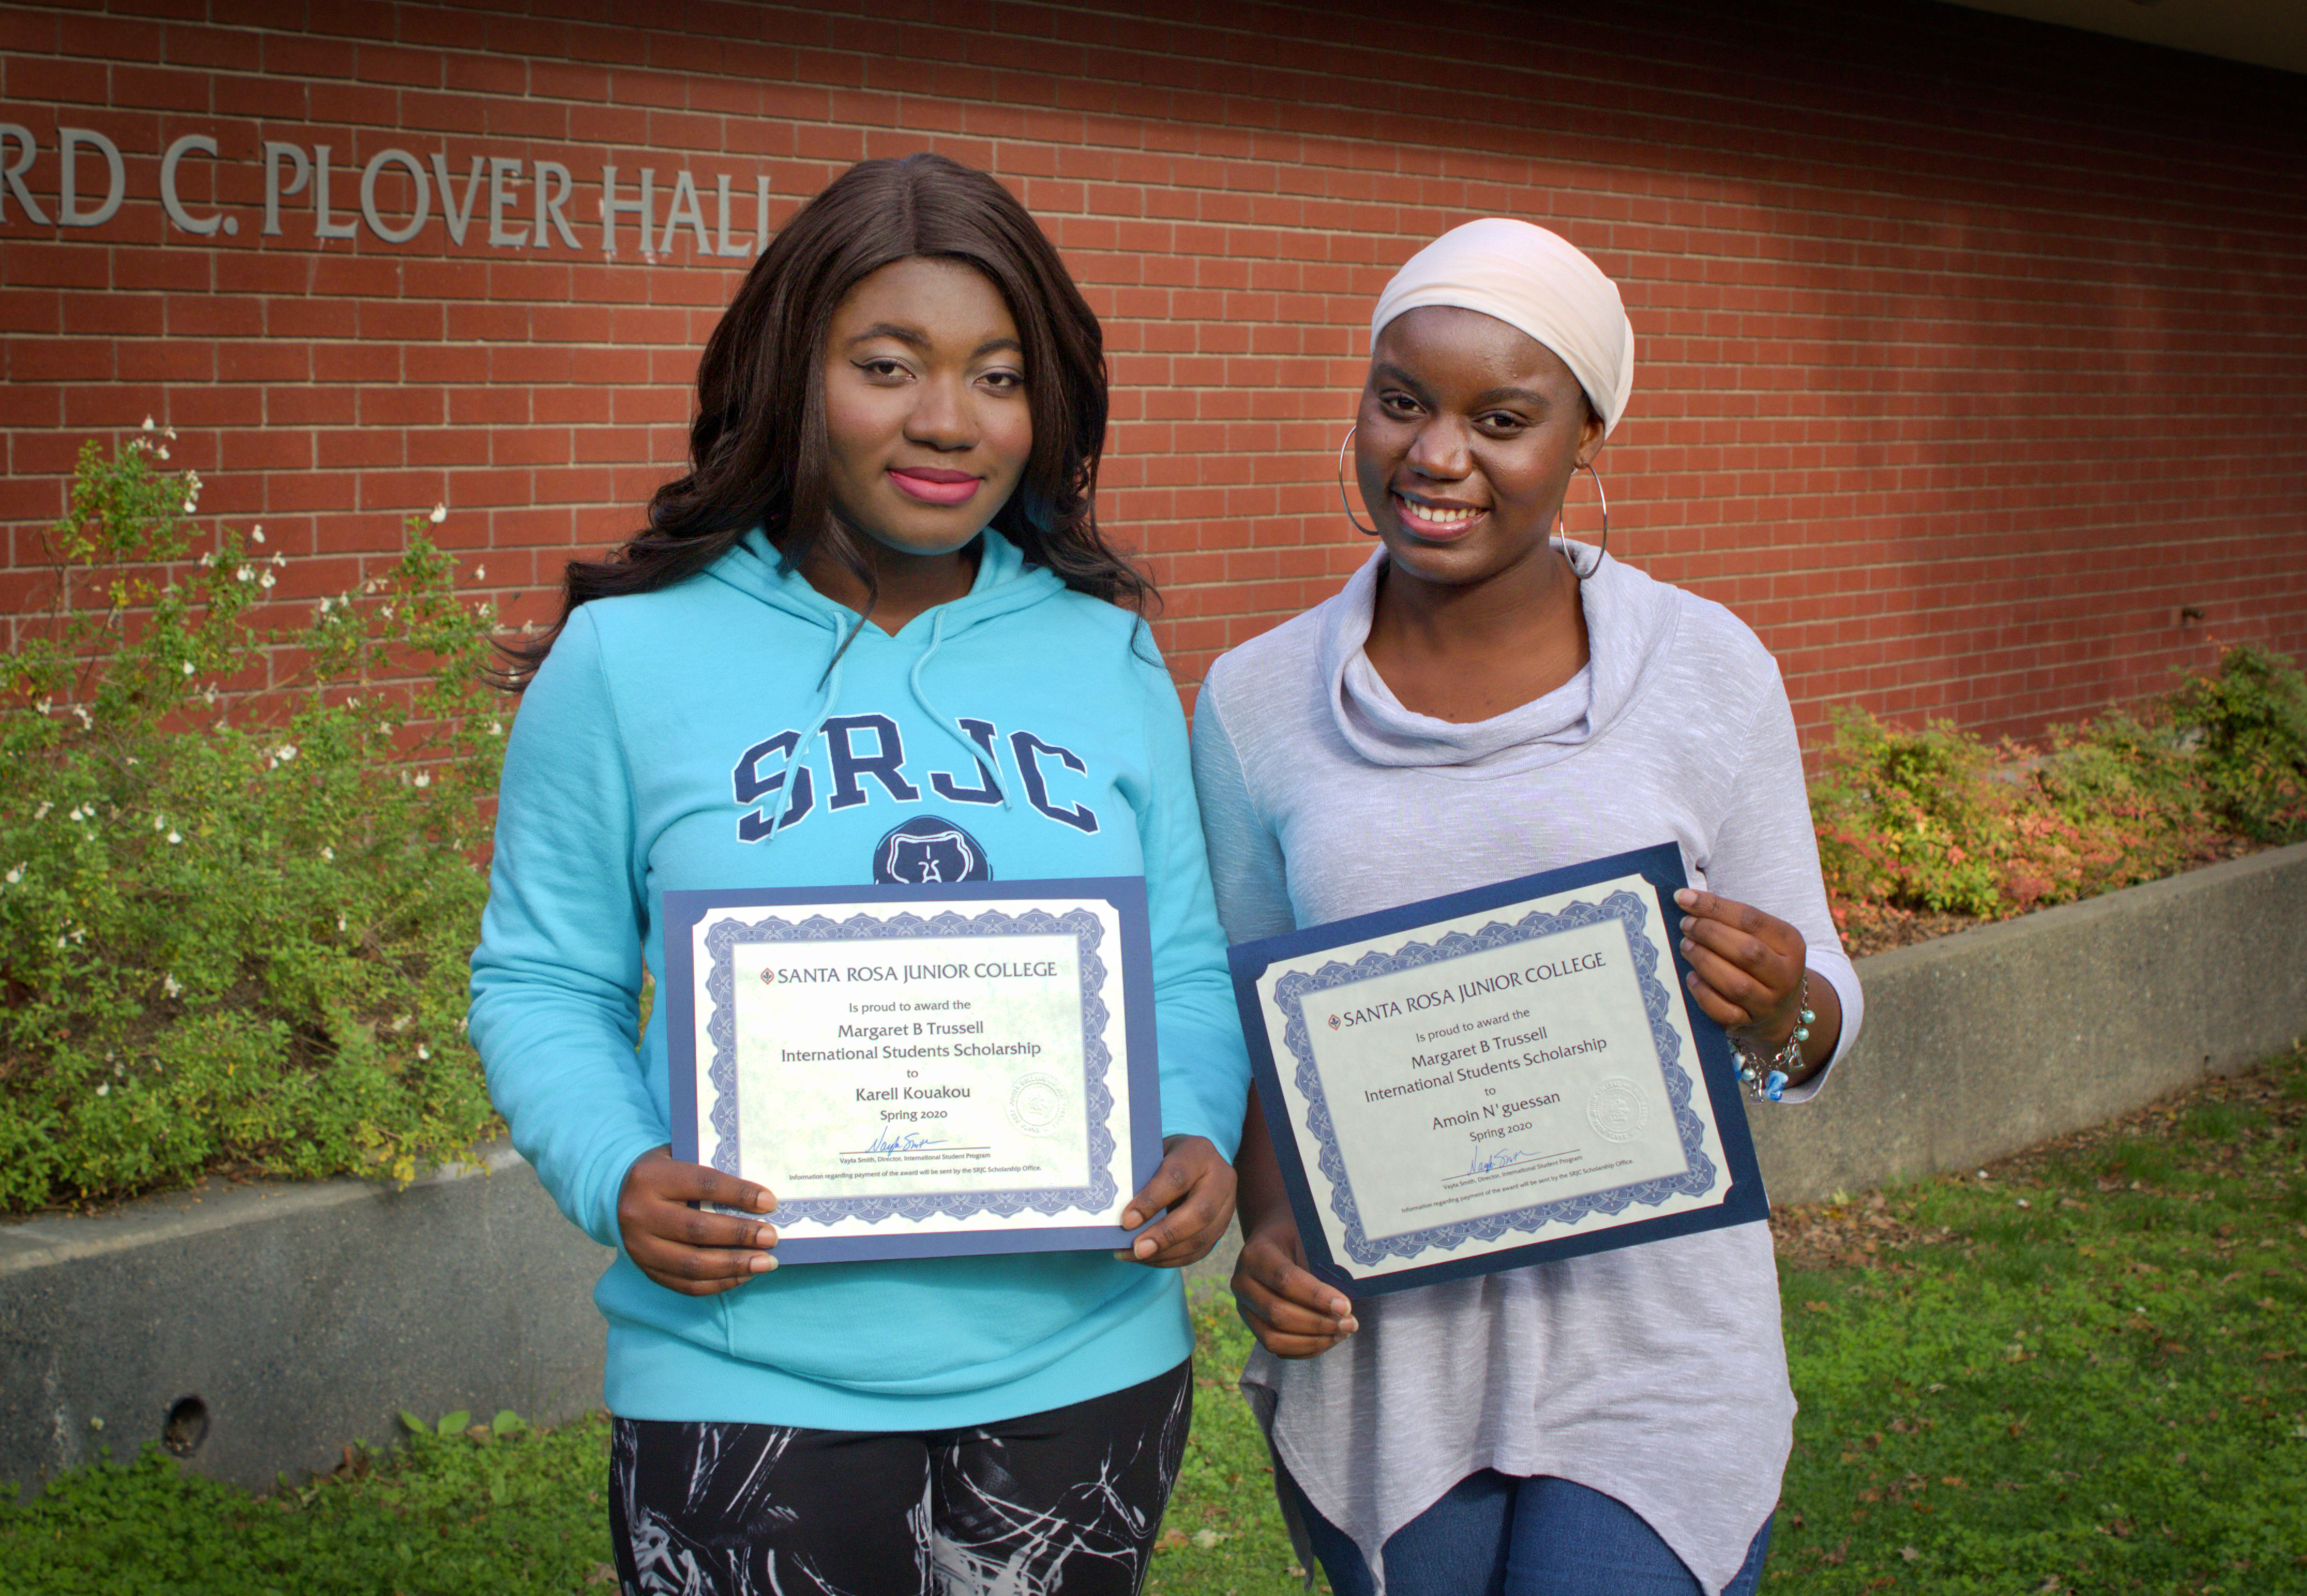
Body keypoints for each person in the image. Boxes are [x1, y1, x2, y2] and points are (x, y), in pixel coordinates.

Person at [469, 153, 1249, 1595]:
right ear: (790, 371)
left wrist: (1195, 1128)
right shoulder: (630, 657)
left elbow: (1183, 964)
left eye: (999, 376)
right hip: (745, 1381)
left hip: (1082, 1371)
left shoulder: (1107, 650)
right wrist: (620, 1170)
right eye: (888, 365)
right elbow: (541, 974)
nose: (948, 420)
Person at [1190, 218, 1866, 1596]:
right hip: (1391, 1358)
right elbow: (1249, 1016)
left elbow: (1822, 1022)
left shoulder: (1706, 668)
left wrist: (1782, 996)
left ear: (1583, 440)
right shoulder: (1257, 701)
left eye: (1500, 418)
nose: (1436, 455)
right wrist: (1267, 1232)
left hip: (1657, 1340)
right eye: (1401, 400)